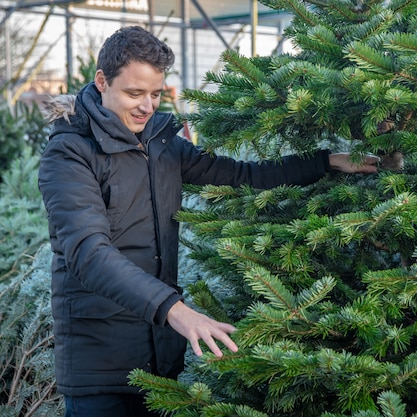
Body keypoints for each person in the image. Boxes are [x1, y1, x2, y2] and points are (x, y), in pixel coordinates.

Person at [38, 25, 378, 417]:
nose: (147, 107)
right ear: (102, 81)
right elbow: (88, 254)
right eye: (135, 94)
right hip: (99, 365)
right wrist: (177, 311)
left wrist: (326, 162)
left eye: (155, 94)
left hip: (159, 360)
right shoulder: (69, 153)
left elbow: (242, 175)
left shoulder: (161, 143)